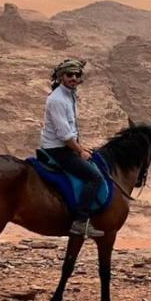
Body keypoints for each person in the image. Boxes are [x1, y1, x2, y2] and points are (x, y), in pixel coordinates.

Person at [40, 58, 104, 237]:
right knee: (95, 178)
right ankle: (80, 221)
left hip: (65, 145)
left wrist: (81, 146)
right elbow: (64, 134)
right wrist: (79, 150)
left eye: (77, 75)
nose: (74, 78)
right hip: (58, 148)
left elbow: (71, 129)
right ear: (61, 76)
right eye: (70, 74)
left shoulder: (69, 95)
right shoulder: (57, 100)